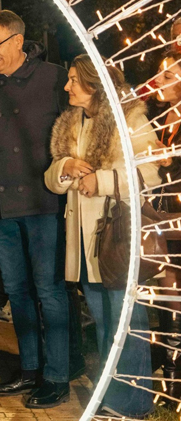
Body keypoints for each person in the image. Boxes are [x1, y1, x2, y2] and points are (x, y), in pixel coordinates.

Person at [0, 10, 71, 408]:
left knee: (50, 291)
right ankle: (29, 370)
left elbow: (71, 136)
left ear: (18, 41)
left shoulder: (54, 78)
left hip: (45, 205)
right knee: (18, 293)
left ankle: (57, 376)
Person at [45, 54, 157, 418]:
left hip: (117, 240)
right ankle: (113, 397)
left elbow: (151, 175)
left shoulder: (131, 119)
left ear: (94, 83)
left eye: (74, 79)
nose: (67, 86)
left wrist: (102, 180)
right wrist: (65, 168)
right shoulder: (71, 123)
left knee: (127, 325)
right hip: (85, 243)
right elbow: (53, 179)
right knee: (106, 326)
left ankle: (133, 404)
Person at [153, 51, 181, 401]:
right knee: (169, 287)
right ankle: (171, 376)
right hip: (165, 218)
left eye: (168, 74)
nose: (159, 80)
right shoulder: (164, 116)